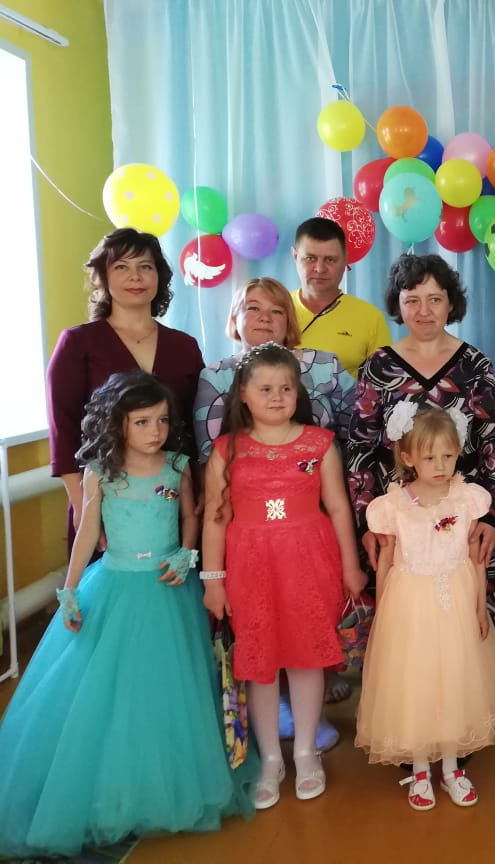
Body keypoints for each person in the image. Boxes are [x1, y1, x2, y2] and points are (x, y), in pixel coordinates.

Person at [0, 372, 252, 857]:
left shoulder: (178, 465)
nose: (155, 431)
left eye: (162, 420)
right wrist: (70, 589)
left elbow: (191, 515)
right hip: (113, 586)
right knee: (106, 685)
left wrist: (186, 553)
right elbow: (86, 531)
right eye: (142, 422)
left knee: (166, 684)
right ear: (117, 424)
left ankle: (164, 777)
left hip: (167, 588)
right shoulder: (100, 472)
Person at [194, 277, 359, 749]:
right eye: (264, 388)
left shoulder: (319, 444)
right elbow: (215, 517)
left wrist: (350, 566)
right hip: (250, 565)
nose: (276, 396)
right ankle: (270, 758)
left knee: (307, 654)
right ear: (242, 394)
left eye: (285, 388)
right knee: (259, 658)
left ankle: (306, 752)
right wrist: (213, 580)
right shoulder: (226, 450)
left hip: (309, 560)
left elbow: (338, 506)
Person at [356, 405, 495, 810]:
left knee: (454, 681)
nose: (441, 465)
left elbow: (476, 559)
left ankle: (451, 768)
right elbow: (386, 562)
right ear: (408, 457)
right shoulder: (392, 506)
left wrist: (480, 607)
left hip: (456, 601)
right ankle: (419, 769)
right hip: (409, 605)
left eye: (448, 455)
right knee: (417, 683)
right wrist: (383, 615)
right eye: (430, 457)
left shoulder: (467, 499)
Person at [346, 253, 495, 630]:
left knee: (463, 622)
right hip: (400, 523)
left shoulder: (476, 366)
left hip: (462, 518)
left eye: (435, 299)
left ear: (451, 303)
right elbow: (359, 449)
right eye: (412, 300)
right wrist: (367, 521)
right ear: (398, 305)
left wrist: (491, 517)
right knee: (408, 627)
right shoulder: (378, 366)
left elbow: (493, 445)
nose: (423, 311)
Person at [46, 228, 204, 542]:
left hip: (172, 495)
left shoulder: (184, 346)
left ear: (159, 276)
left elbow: (197, 424)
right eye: (121, 266)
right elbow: (63, 429)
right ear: (102, 277)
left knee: (173, 571)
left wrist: (201, 489)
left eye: (145, 266)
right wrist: (83, 506)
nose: (135, 276)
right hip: (105, 499)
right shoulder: (78, 342)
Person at [194, 276, 357, 462]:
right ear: (234, 317)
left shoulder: (327, 365)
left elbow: (358, 435)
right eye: (253, 308)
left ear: (289, 322)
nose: (265, 318)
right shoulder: (215, 376)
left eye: (277, 311)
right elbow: (208, 455)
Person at [290, 217, 392, 376]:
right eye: (310, 258)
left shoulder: (370, 318)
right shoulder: (275, 310)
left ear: (345, 260)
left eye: (330, 260)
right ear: (295, 256)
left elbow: (384, 383)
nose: (320, 268)